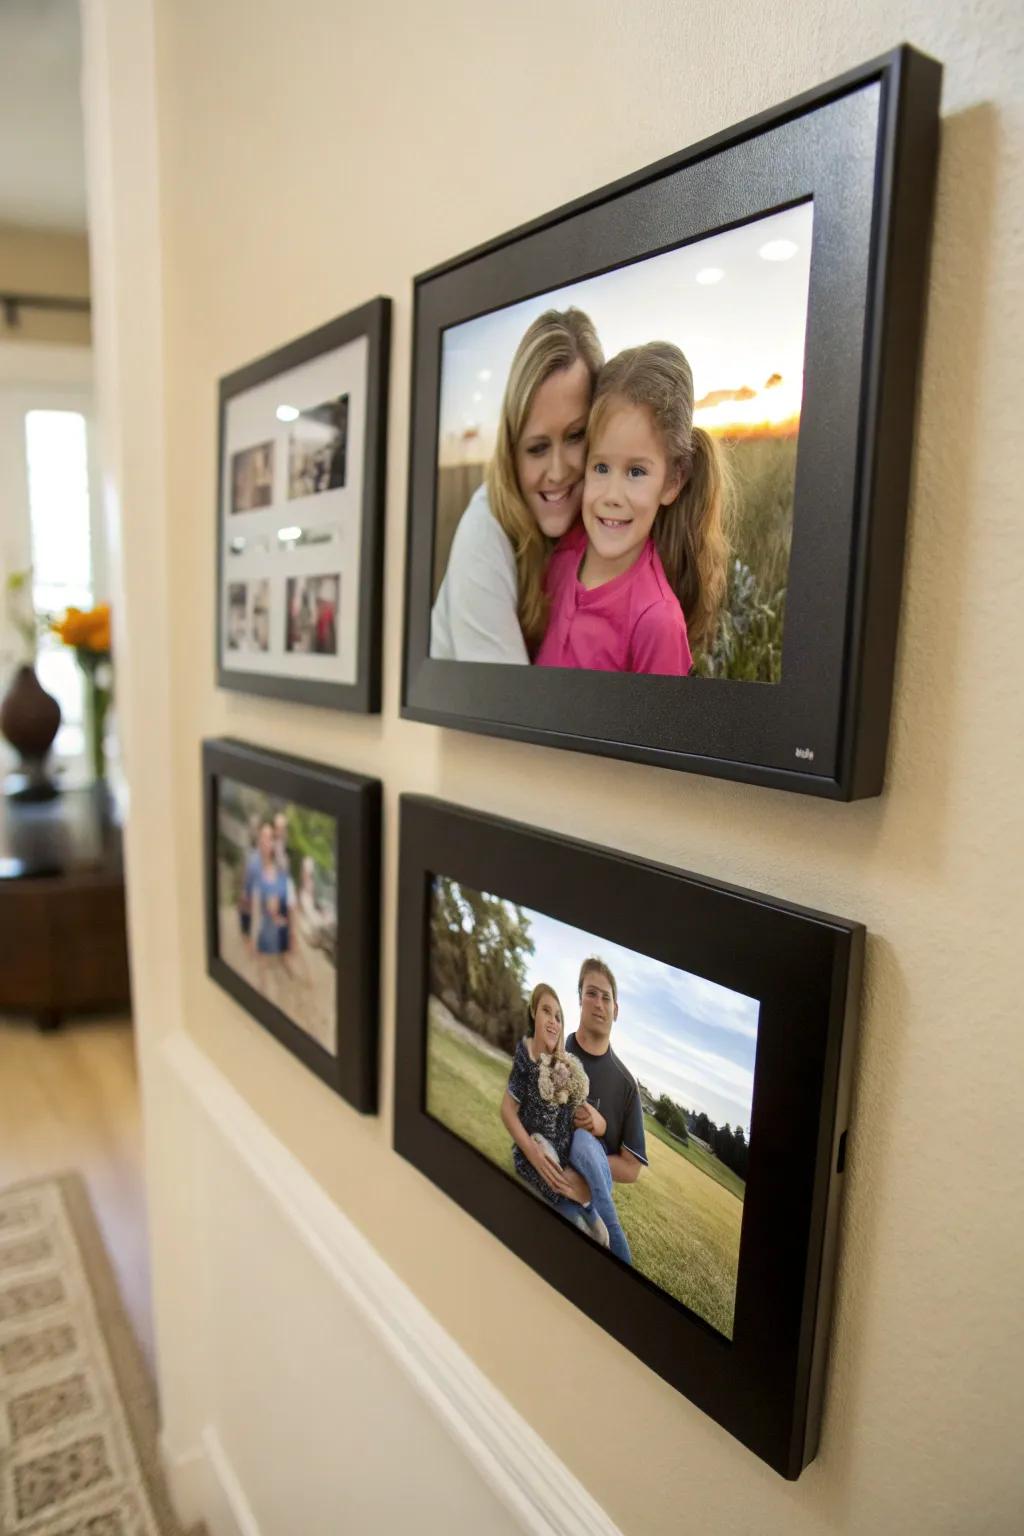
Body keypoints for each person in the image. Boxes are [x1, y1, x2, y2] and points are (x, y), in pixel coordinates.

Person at [536, 341, 729, 675]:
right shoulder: (564, 553)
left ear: (673, 481)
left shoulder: (656, 622)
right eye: (600, 467)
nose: (612, 495)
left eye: (636, 472)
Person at [430, 307, 604, 663]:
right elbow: (501, 714)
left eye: (575, 436)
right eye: (537, 448)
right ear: (511, 452)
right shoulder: (483, 537)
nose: (557, 472)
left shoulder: (613, 521)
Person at [499, 984, 610, 1247]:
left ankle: (585, 1201)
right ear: (533, 1013)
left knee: (603, 1236)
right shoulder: (526, 1058)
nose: (553, 1021)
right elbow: (507, 1110)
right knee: (541, 1143)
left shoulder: (565, 1064)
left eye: (558, 1016)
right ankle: (576, 1203)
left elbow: (592, 1117)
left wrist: (595, 1121)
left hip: (566, 1159)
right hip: (541, 1158)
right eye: (546, 1012)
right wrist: (532, 1152)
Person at [561, 957, 647, 1265]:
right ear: (580, 1000)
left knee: (585, 1144)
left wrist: (586, 1180)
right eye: (591, 993)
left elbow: (631, 1168)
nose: (598, 1003)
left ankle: (614, 1244)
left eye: (606, 997)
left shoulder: (626, 1086)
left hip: (589, 1200)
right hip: (546, 1180)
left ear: (616, 1010)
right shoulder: (555, 1054)